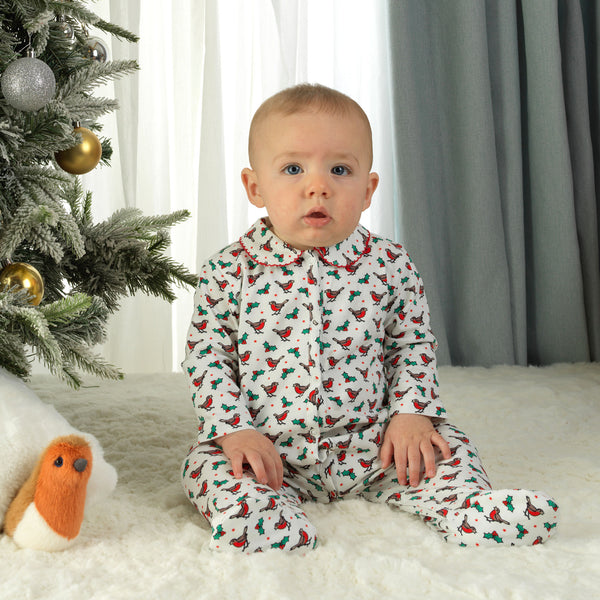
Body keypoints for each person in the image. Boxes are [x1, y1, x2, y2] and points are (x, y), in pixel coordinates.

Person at [181, 83, 559, 552]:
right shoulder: (228, 270)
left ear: (367, 190)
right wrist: (234, 429)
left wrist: (411, 413)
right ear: (255, 188)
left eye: (340, 170)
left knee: (445, 443)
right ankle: (260, 516)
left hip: (376, 444)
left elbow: (412, 344)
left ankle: (469, 509)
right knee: (206, 464)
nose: (318, 186)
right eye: (293, 168)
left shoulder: (389, 264)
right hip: (270, 450)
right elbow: (207, 357)